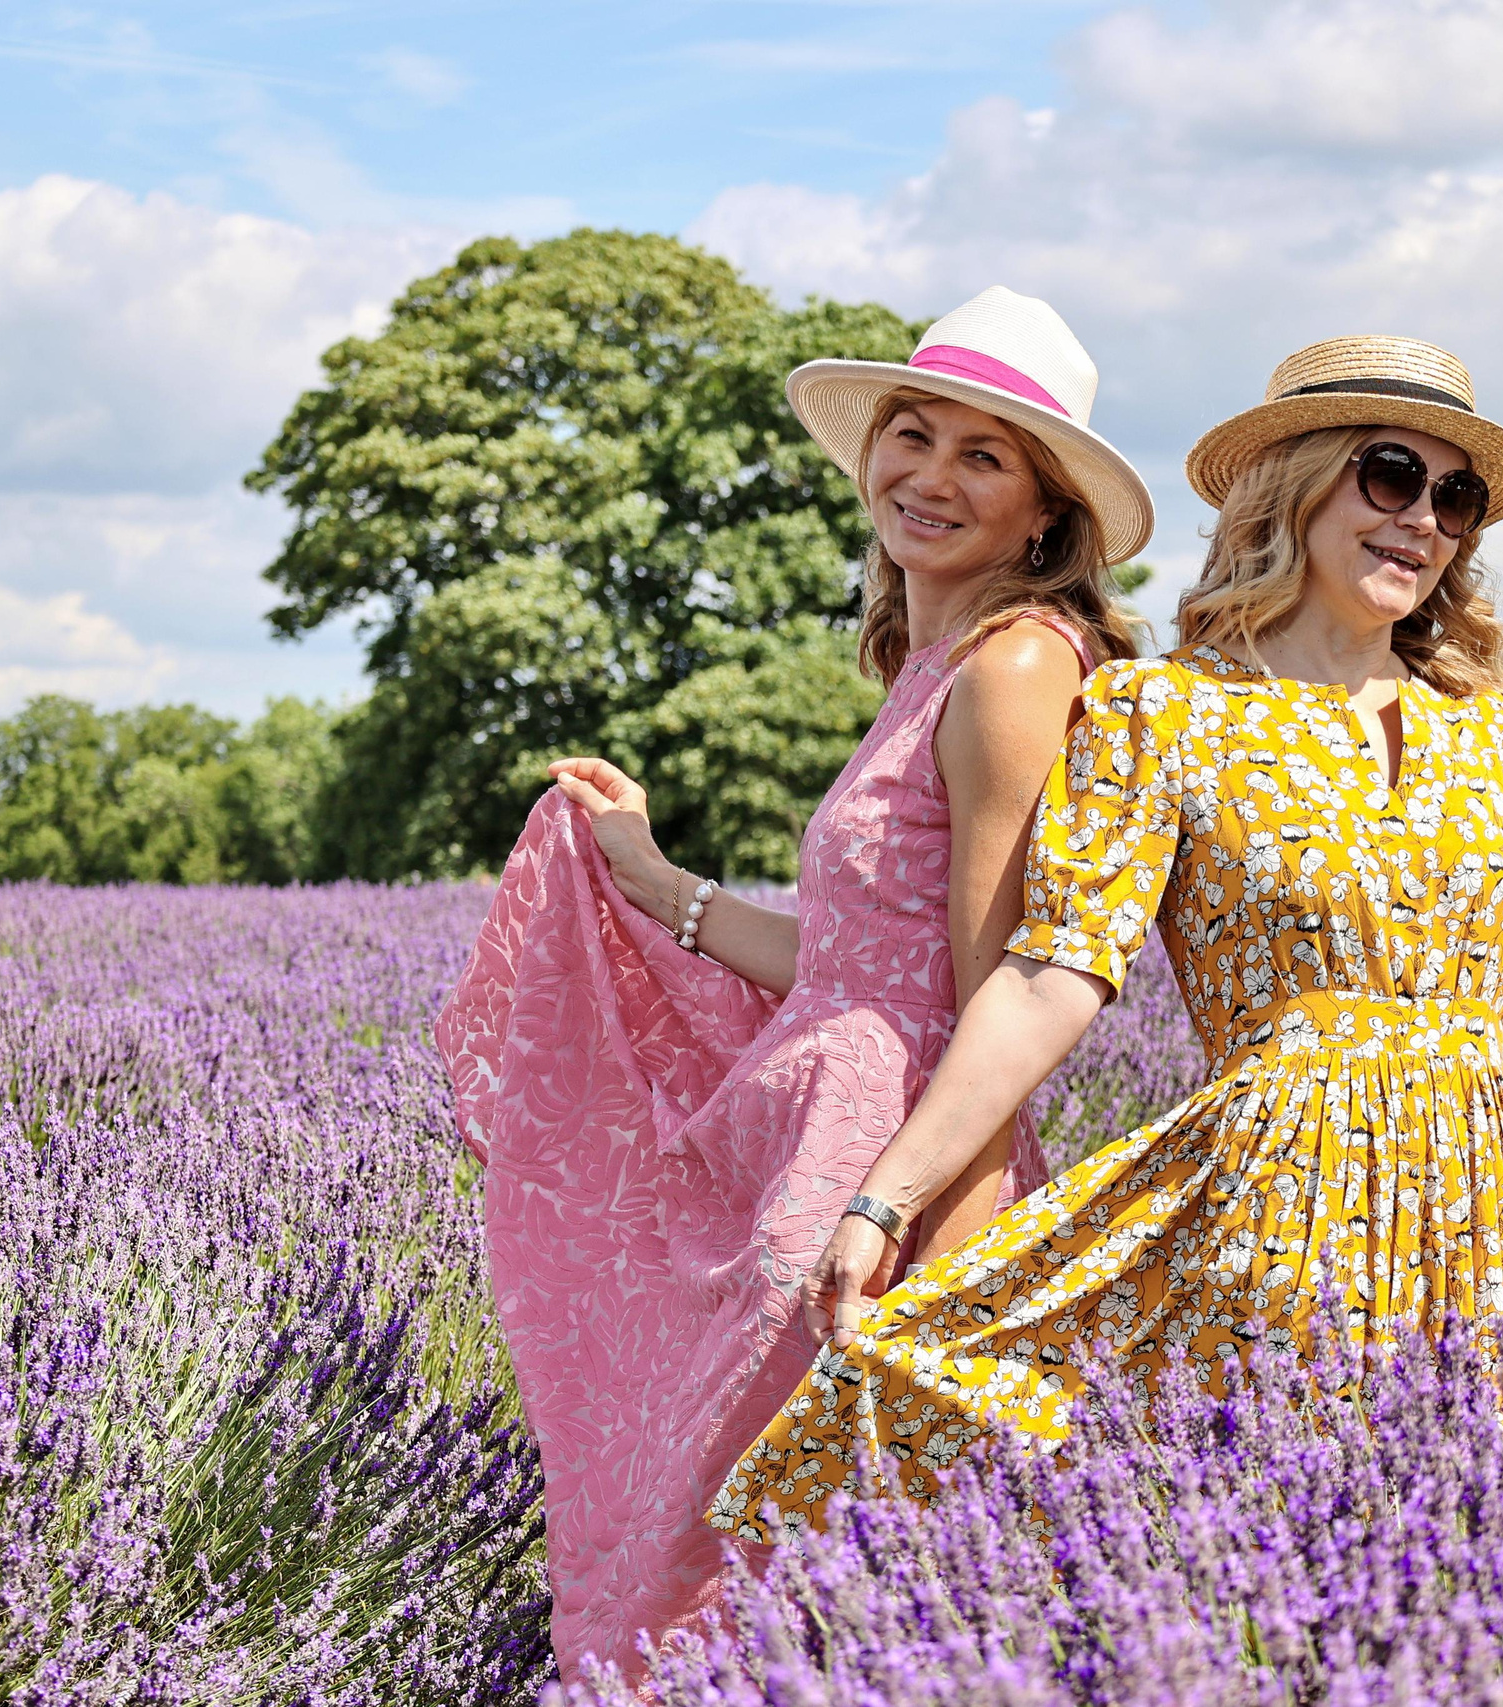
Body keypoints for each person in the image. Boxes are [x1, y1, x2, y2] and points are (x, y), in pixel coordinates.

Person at [710, 335, 1503, 1536]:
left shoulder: (1494, 740)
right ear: (1295, 485)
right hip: (1269, 1225)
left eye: (1456, 498)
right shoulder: (1164, 713)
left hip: (1491, 1221)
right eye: (1391, 476)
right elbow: (1048, 973)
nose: (1425, 520)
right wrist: (882, 1203)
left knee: (1495, 1558)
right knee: (1267, 1547)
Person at [432, 286, 1154, 1681]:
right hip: (810, 1144)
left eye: (982, 455)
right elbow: (849, 964)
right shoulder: (935, 660)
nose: (928, 475)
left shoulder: (1015, 667)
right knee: (725, 1537)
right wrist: (652, 877)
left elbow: (994, 990)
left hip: (878, 1176)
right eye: (911, 432)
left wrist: (944, 1244)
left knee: (757, 1550)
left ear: (1047, 516)